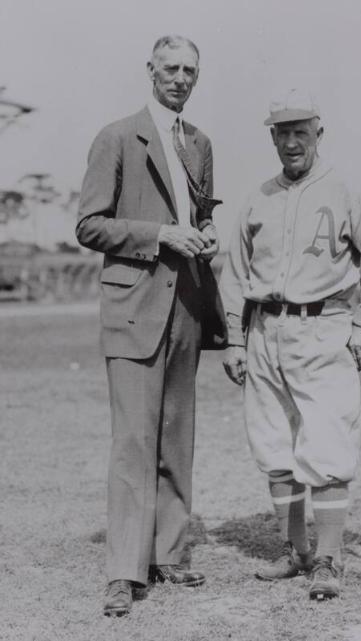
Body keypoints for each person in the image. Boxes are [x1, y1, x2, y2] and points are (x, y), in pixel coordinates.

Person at [220, 89, 361, 601]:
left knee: (325, 445)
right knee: (274, 445)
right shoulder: (258, 197)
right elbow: (234, 275)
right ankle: (295, 551)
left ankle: (328, 557)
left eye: (302, 131)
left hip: (325, 327)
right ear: (272, 136)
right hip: (264, 331)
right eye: (283, 131)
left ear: (319, 134)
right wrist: (234, 339)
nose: (292, 141)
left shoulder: (348, 189)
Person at [76, 34, 226, 617]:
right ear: (150, 70)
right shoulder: (116, 137)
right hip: (134, 305)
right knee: (133, 442)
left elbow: (203, 212)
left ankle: (168, 555)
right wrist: (160, 234)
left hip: (187, 306)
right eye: (171, 68)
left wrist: (206, 233)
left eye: (190, 69)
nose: (181, 78)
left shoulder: (201, 143)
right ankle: (124, 571)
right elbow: (89, 225)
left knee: (175, 438)